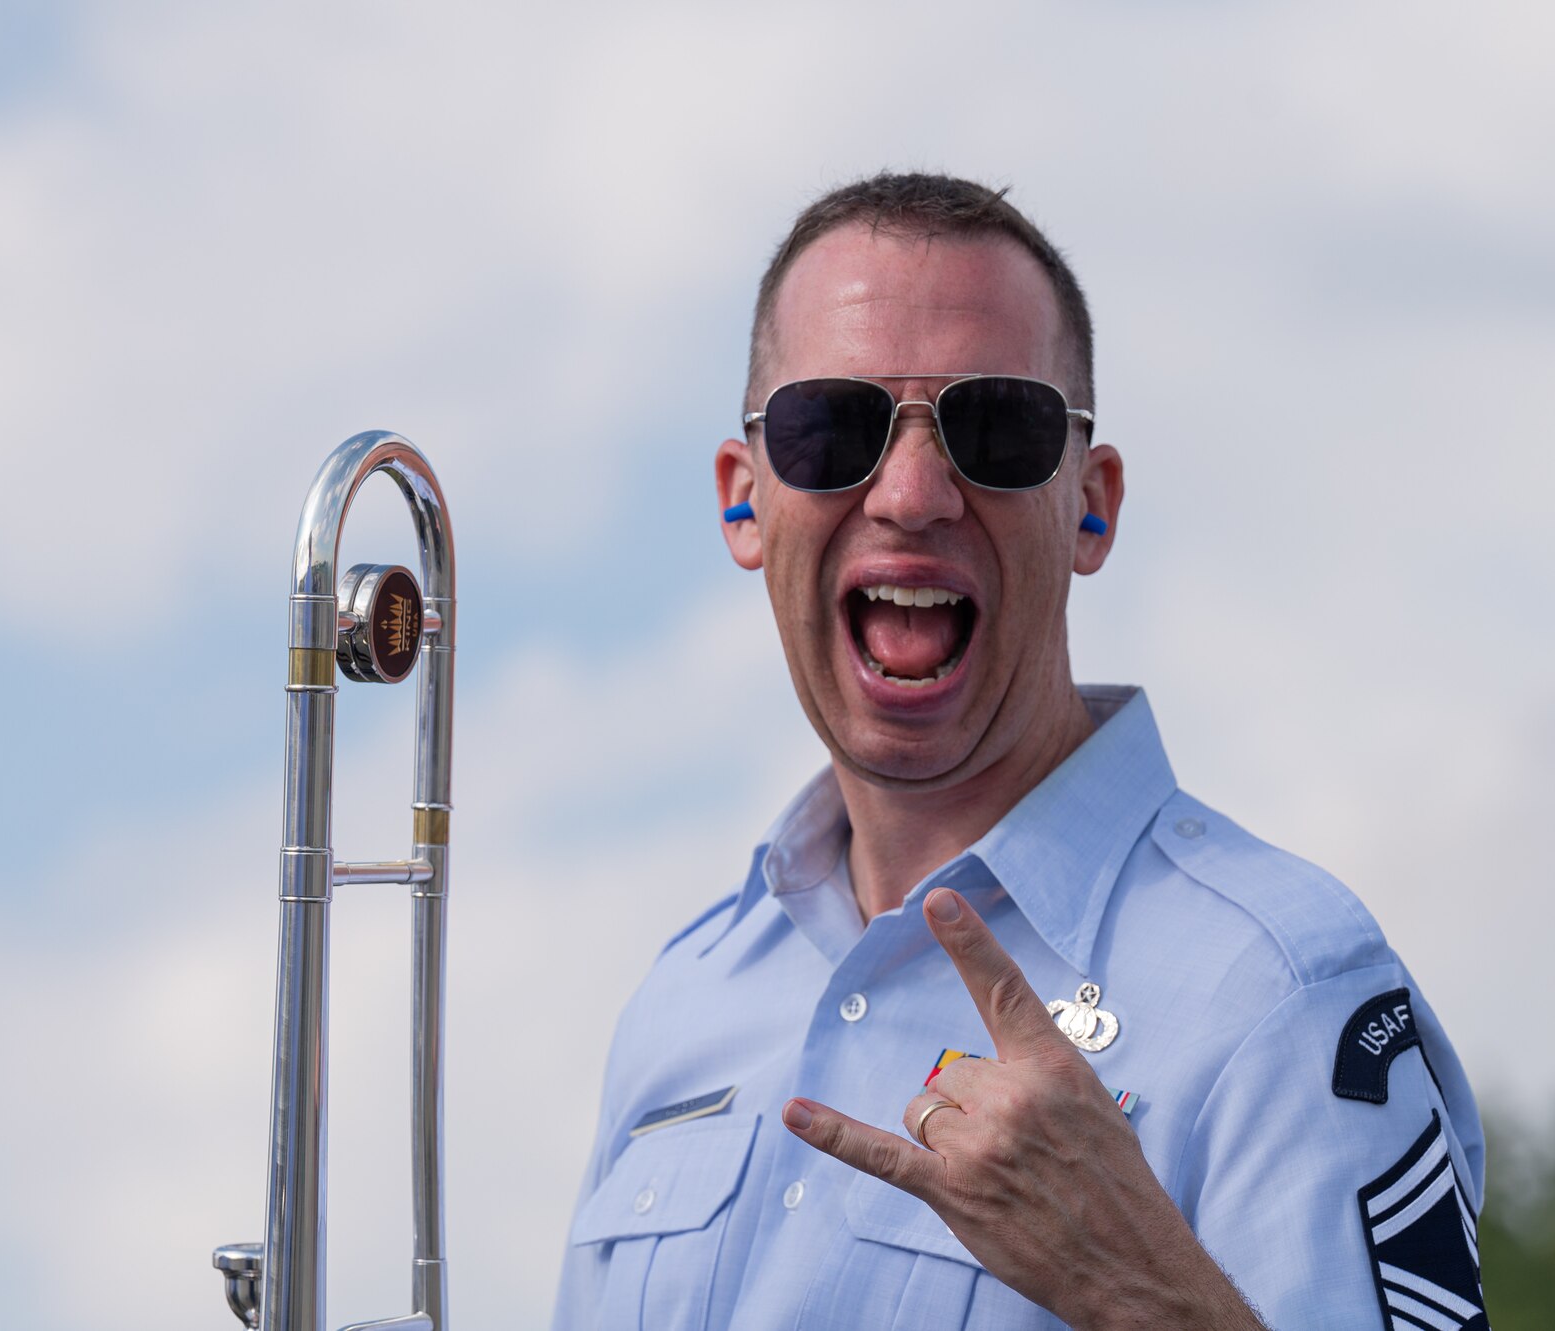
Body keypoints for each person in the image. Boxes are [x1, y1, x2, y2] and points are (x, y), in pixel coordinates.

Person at [552, 173, 1490, 1331]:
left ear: (1090, 507)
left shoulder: (1283, 990)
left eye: (994, 428)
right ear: (744, 504)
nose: (908, 491)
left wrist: (1142, 1295)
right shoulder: (681, 1000)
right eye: (829, 427)